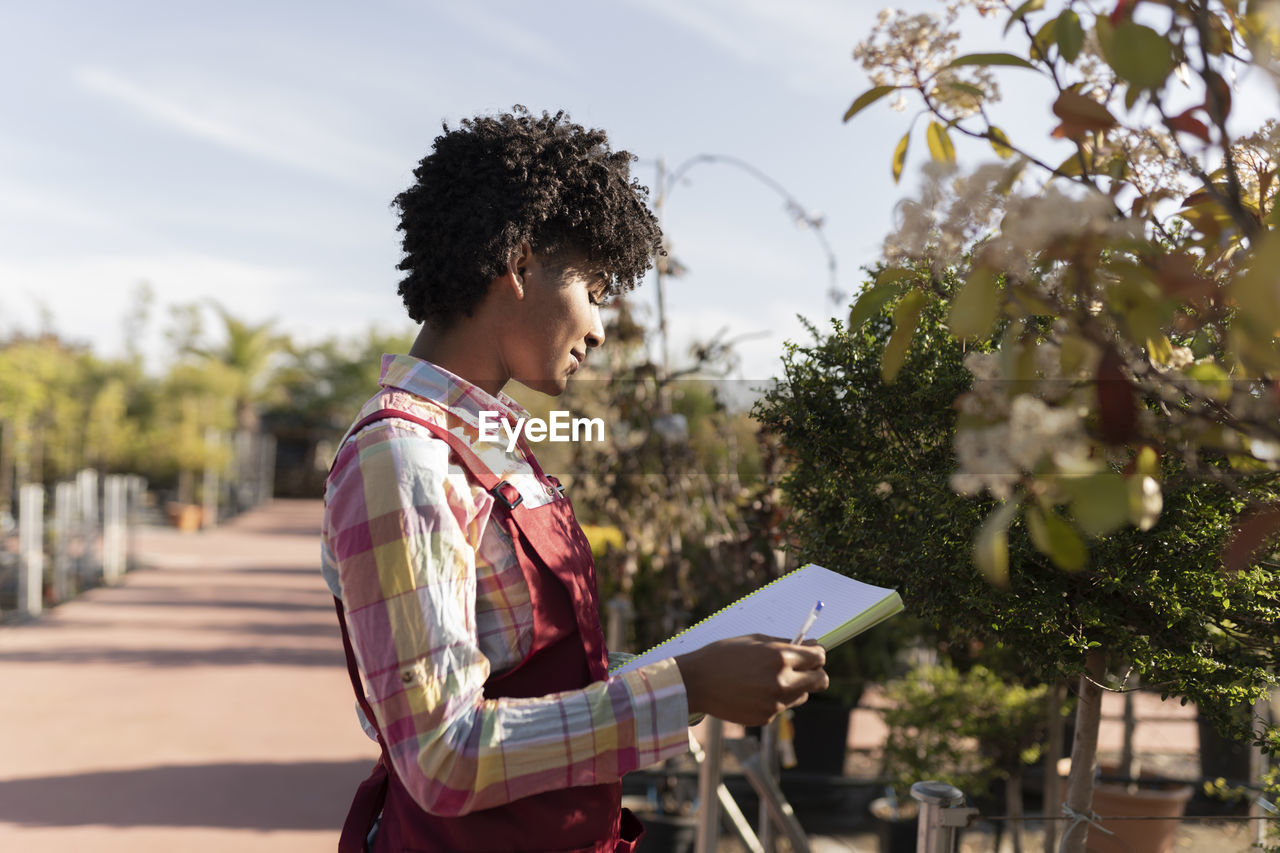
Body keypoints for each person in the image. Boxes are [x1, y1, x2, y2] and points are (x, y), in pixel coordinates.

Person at [321, 106, 828, 853]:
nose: (597, 328)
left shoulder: (488, 446)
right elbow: (440, 756)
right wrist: (685, 686)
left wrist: (702, 670)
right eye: (593, 289)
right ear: (519, 265)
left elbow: (521, 675)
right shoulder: (401, 457)